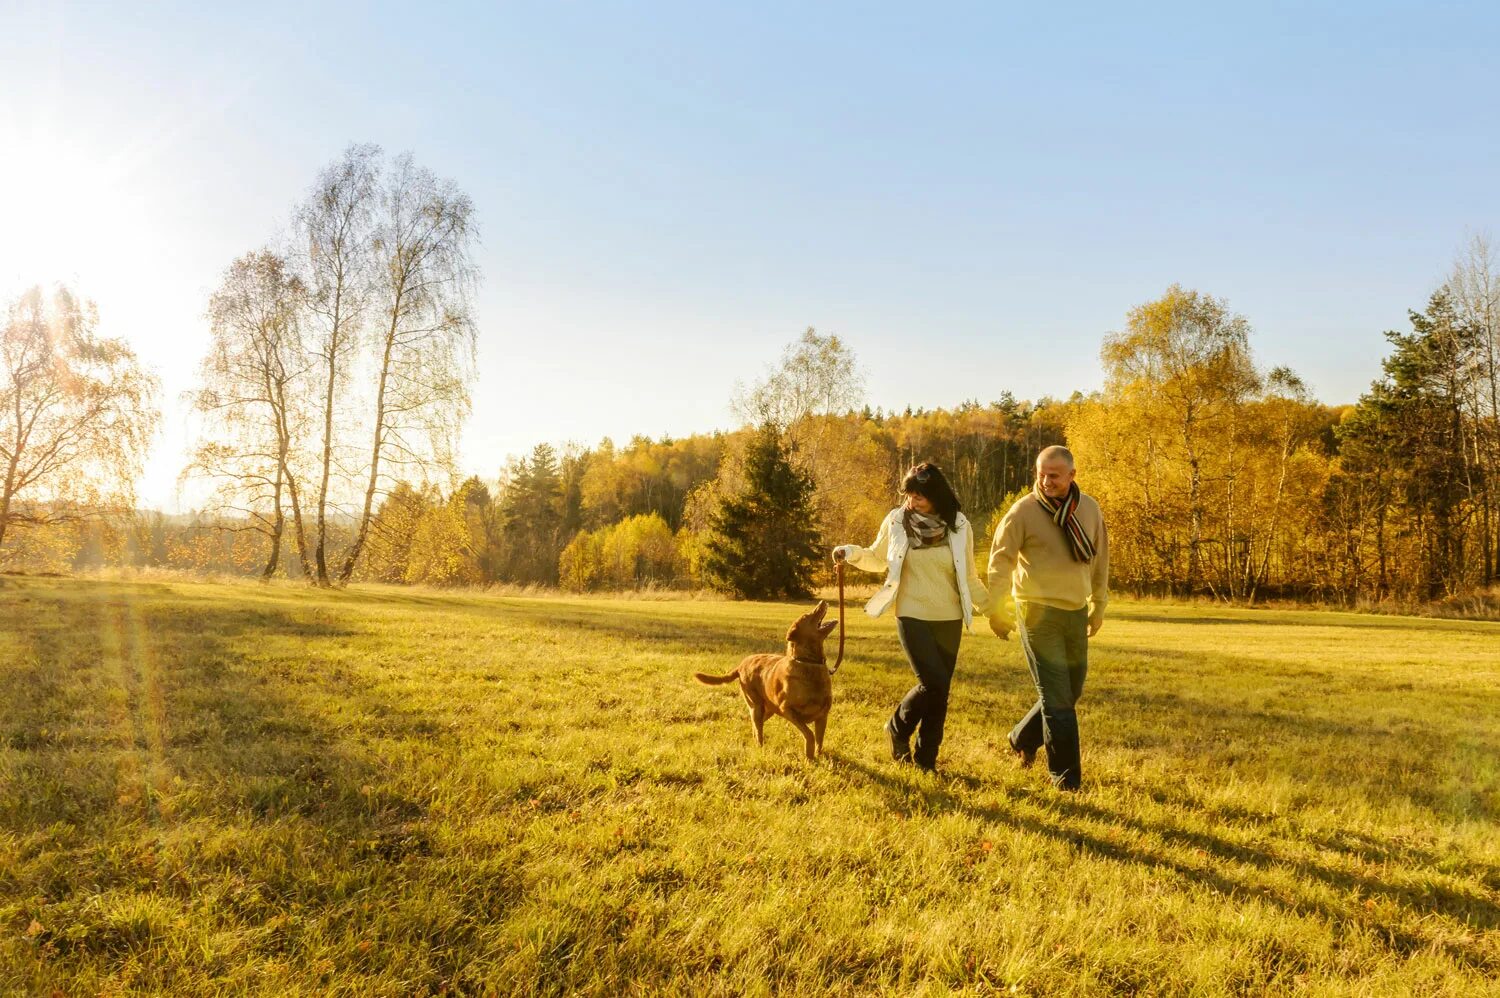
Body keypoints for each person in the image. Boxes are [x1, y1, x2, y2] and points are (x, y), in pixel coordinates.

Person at [832, 462, 991, 773]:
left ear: (936, 495)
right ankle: (897, 727)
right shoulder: (896, 521)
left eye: (919, 496)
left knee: (940, 692)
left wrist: (993, 611)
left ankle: (926, 760)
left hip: (949, 617)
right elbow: (878, 559)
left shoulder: (959, 525)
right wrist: (849, 553)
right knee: (932, 683)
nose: (911, 501)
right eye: (908, 495)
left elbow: (970, 577)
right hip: (910, 612)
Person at [987, 445, 1108, 791]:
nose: (1046, 480)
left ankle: (1021, 738)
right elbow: (1000, 561)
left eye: (1054, 475)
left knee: (1070, 691)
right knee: (1057, 699)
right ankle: (1066, 780)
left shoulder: (1089, 509)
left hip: (1075, 610)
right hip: (1036, 611)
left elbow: (1100, 560)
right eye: (1040, 473)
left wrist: (1099, 604)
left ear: (1072, 475)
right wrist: (996, 609)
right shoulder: (1022, 511)